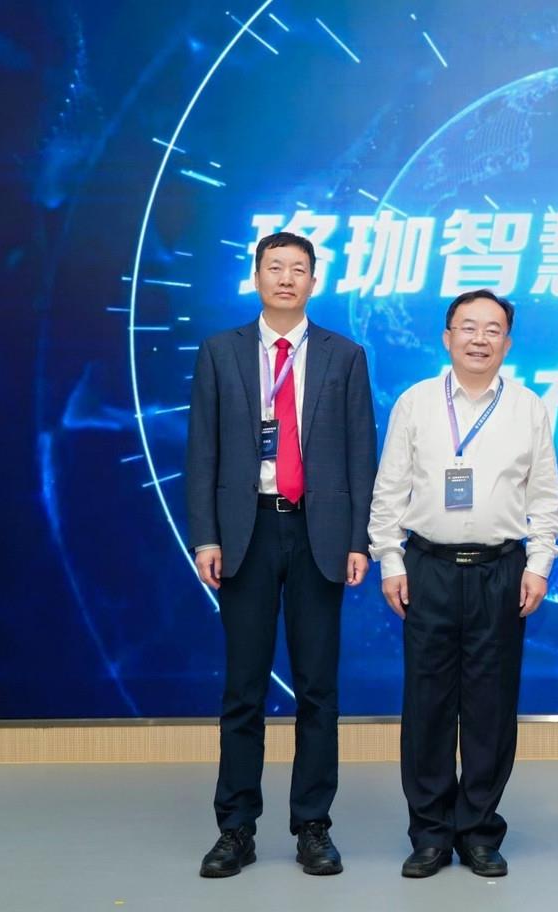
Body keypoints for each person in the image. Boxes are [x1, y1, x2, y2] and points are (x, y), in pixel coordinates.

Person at [185, 231, 377, 878]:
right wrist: (206, 536)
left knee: (317, 689)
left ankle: (313, 825)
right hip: (247, 533)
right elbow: (202, 452)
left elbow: (361, 454)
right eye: (276, 267)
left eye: (299, 269)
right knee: (243, 689)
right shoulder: (220, 352)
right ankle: (235, 827)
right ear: (257, 276)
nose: (287, 278)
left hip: (319, 534)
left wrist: (358, 539)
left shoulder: (344, 355)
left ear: (314, 281)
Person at [367, 289, 558, 879]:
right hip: (427, 568)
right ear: (447, 337)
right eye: (468, 327)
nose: (480, 339)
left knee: (491, 707)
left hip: (500, 570)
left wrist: (538, 565)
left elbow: (545, 495)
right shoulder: (416, 402)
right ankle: (429, 833)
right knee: (427, 705)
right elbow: (389, 489)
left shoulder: (527, 406)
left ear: (508, 342)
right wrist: (390, 560)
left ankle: (478, 830)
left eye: (493, 329)